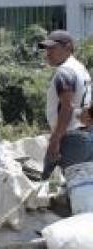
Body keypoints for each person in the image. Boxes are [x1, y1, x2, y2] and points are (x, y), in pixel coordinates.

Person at [39, 30, 93, 178]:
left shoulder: (65, 72)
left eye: (53, 48)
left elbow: (67, 108)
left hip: (71, 140)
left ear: (68, 48)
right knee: (83, 189)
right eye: (46, 49)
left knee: (69, 189)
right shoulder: (81, 69)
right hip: (86, 137)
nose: (48, 53)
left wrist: (55, 141)